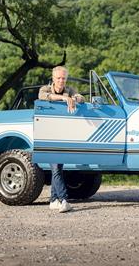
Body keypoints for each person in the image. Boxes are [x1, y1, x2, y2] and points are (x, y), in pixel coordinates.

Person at [38, 66, 85, 213]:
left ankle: (53, 200)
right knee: (57, 168)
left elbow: (82, 98)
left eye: (63, 78)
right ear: (53, 79)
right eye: (58, 78)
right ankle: (64, 200)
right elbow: (43, 97)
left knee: (57, 169)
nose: (61, 81)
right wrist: (64, 98)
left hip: (63, 135)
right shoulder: (44, 89)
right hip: (48, 135)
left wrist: (74, 98)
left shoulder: (70, 90)